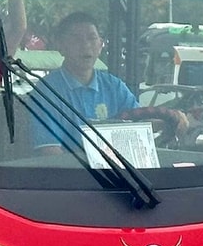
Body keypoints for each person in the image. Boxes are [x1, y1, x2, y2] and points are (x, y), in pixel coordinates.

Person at [31, 12, 189, 148]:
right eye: (76, 39)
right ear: (60, 46)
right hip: (75, 172)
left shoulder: (114, 86)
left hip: (118, 170)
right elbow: (49, 152)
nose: (86, 45)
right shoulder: (46, 93)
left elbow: (139, 123)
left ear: (100, 45)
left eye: (92, 38)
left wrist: (171, 119)